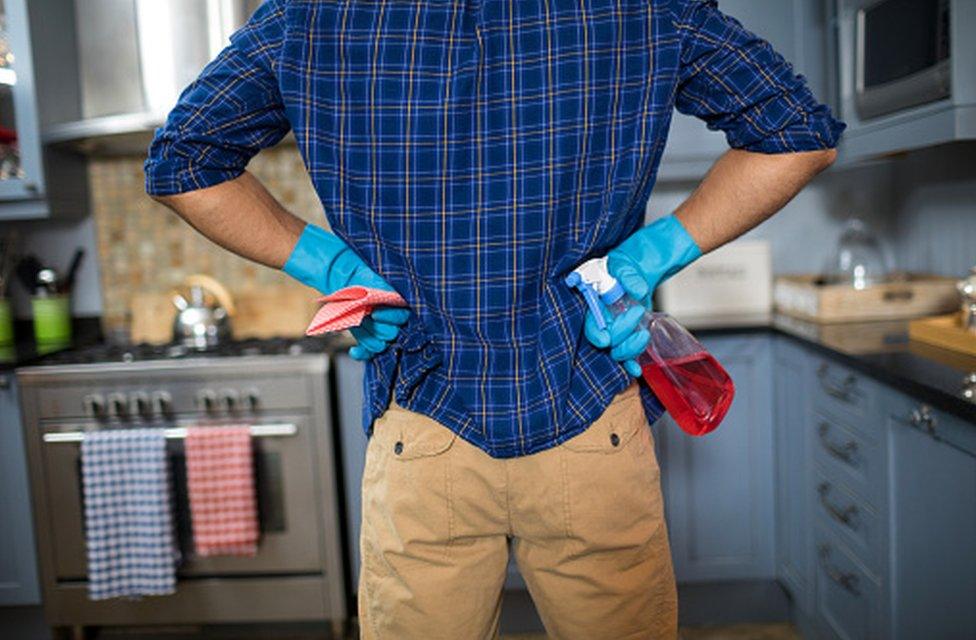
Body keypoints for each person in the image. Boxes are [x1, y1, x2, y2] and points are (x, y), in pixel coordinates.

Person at [146, 1, 843, 637]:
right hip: (587, 408)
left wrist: (331, 266)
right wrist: (647, 256)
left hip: (422, 423)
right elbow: (798, 133)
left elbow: (183, 161)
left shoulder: (311, 17)